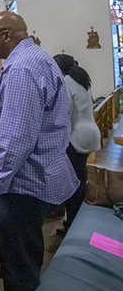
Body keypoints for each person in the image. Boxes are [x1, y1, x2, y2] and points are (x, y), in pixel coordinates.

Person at [0, 12, 77, 291]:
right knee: (27, 252)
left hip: (23, 184)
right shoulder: (37, 59)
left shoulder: (20, 69)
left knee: (18, 269)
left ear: (6, 35)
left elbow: (16, 140)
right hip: (39, 175)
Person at [53, 54, 101, 235]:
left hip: (77, 136)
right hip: (89, 133)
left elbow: (65, 113)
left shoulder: (66, 81)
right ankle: (74, 222)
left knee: (73, 183)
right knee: (79, 179)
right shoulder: (80, 80)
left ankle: (72, 225)